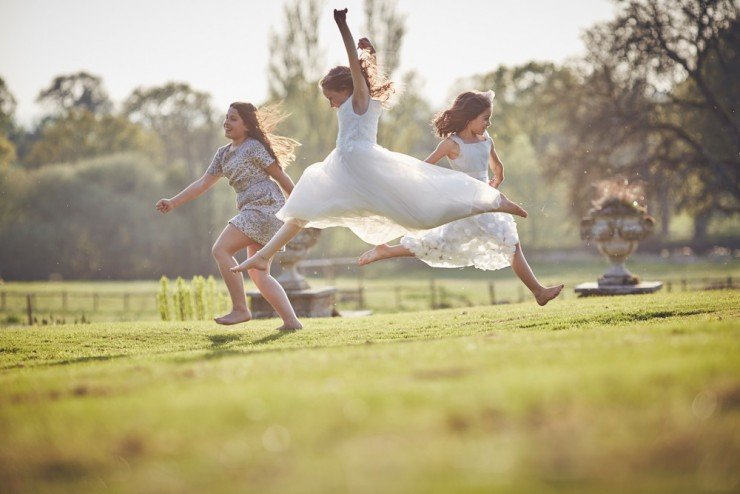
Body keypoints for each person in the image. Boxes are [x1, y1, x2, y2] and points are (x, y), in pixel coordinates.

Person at [231, 8, 527, 277]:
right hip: (342, 167)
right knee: (303, 211)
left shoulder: (360, 99)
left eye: (332, 97)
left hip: (366, 164)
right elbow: (361, 68)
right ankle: (264, 256)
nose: (331, 104)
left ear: (346, 88)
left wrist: (342, 26)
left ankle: (496, 201)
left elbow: (353, 64)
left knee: (422, 217)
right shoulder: (350, 101)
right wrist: (369, 54)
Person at [358, 91, 564, 306]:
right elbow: (424, 169)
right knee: (500, 243)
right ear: (470, 118)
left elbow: (496, 166)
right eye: (485, 118)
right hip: (464, 204)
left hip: (485, 203)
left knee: (455, 245)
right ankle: (538, 291)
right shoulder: (451, 144)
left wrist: (498, 178)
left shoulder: (486, 140)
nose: (489, 123)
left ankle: (387, 250)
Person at [156, 102, 303, 329]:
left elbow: (280, 176)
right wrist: (173, 202)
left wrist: (299, 206)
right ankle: (292, 323)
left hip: (265, 208)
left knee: (221, 249)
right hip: (252, 210)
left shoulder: (253, 146)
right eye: (226, 117)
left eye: (233, 118)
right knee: (258, 273)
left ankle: (240, 309)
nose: (227, 122)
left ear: (246, 124)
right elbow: (203, 183)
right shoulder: (223, 154)